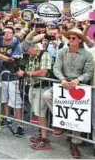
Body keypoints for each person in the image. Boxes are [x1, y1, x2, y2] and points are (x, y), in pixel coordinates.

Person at [41, 28, 93, 159]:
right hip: (63, 84)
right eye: (69, 38)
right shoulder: (61, 52)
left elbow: (89, 72)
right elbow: (56, 67)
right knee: (46, 95)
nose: (70, 40)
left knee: (78, 113)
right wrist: (62, 79)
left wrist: (78, 80)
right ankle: (61, 120)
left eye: (73, 38)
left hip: (79, 87)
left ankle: (75, 144)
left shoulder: (87, 54)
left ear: (80, 40)